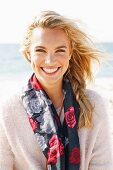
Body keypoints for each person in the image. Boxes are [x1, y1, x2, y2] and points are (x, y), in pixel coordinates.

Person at [0, 10, 113, 170]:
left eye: (60, 50)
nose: (50, 60)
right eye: (40, 50)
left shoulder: (94, 105)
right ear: (28, 54)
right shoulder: (8, 111)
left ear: (70, 53)